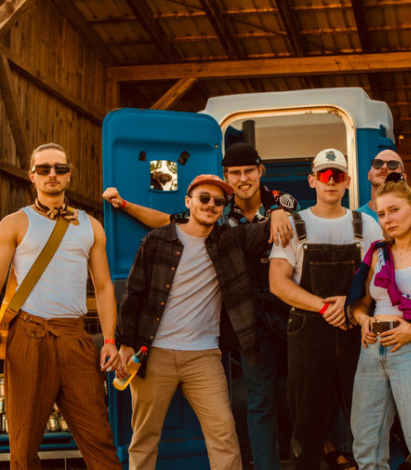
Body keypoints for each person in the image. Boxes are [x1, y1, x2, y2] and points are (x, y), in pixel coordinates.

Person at [104, 142, 299, 470]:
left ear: (223, 207)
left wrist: (279, 209)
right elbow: (133, 296)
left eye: (218, 202)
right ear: (188, 202)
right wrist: (124, 344)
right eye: (204, 198)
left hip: (204, 356)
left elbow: (271, 227)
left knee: (224, 434)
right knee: (145, 436)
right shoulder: (157, 241)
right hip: (155, 353)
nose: (211, 205)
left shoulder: (228, 240)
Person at [0, 143, 122, 470]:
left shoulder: (91, 226)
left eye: (59, 168)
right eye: (44, 169)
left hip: (75, 339)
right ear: (32, 175)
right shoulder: (14, 223)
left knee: (99, 439)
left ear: (69, 175)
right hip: (28, 336)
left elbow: (103, 286)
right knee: (23, 445)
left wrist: (109, 340)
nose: (52, 174)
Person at [269, 148, 382, 470]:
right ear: (312, 181)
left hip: (355, 333)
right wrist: (325, 307)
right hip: (308, 334)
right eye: (324, 175)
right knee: (307, 422)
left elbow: (378, 279)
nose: (331, 181)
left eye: (338, 175)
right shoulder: (294, 225)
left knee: (366, 418)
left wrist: (352, 305)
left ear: (347, 181)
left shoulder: (368, 226)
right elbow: (278, 282)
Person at [346, 172, 411, 470]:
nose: (387, 219)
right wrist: (363, 320)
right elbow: (360, 304)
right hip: (371, 350)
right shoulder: (377, 253)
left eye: (394, 210)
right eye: (381, 214)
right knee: (367, 446)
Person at [358, 149, 411, 247]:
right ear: (369, 175)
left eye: (392, 164)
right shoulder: (356, 218)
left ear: (404, 177)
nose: (384, 167)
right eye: (377, 164)